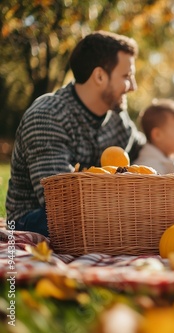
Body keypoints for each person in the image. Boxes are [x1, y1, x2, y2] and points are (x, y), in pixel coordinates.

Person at [6, 31, 146, 237]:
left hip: (96, 210)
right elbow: (59, 201)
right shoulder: (48, 115)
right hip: (35, 217)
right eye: (126, 76)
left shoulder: (117, 117)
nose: (133, 86)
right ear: (99, 76)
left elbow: (146, 148)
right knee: (123, 223)